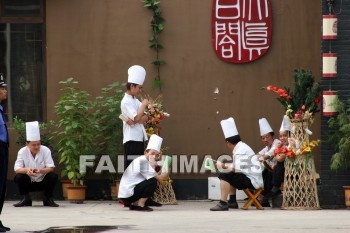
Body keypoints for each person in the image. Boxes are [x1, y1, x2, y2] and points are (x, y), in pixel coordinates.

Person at [210, 117, 263, 211]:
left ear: (228, 142)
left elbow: (236, 169)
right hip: (251, 178)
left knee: (224, 174)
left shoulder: (241, 149)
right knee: (228, 173)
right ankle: (232, 201)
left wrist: (222, 165)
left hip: (252, 181)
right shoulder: (241, 147)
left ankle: (223, 203)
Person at [13, 121, 59, 207]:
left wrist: (41, 171)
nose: (37, 147)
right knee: (19, 177)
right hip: (28, 182)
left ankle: (48, 199)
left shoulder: (45, 150)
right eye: (33, 145)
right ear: (27, 144)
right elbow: (17, 168)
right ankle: (26, 198)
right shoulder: (22, 151)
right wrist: (27, 170)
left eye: (38, 144)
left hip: (43, 181)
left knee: (53, 176)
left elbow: (51, 167)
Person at [118, 134, 169, 212]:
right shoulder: (143, 162)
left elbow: (155, 175)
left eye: (156, 154)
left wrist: (162, 169)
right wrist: (167, 169)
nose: (154, 156)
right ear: (145, 152)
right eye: (152, 153)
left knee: (151, 179)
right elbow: (160, 178)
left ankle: (144, 201)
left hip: (127, 195)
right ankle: (140, 205)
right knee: (152, 181)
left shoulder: (142, 160)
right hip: (128, 196)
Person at [120, 65, 149, 169]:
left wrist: (140, 117)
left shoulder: (135, 100)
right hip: (131, 139)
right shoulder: (125, 101)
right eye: (139, 87)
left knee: (138, 170)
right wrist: (144, 104)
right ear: (132, 86)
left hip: (138, 139)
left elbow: (144, 117)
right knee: (132, 169)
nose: (140, 90)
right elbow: (137, 118)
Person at [264, 115, 290, 199]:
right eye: (281, 136)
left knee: (278, 164)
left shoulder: (292, 144)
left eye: (285, 135)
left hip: (292, 171)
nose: (282, 138)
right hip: (283, 170)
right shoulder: (282, 146)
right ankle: (265, 194)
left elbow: (280, 158)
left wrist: (278, 149)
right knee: (267, 172)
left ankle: (275, 188)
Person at [257, 118, 280, 207]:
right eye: (263, 138)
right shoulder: (266, 148)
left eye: (267, 137)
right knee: (261, 173)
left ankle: (262, 196)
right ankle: (262, 197)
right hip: (271, 170)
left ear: (273, 137)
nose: (265, 140)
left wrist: (262, 158)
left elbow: (271, 153)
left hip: (279, 171)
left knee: (266, 173)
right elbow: (258, 154)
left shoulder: (277, 143)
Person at [0, 74, 10, 232]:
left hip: (2, 149)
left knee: (1, 186)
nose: (5, 91)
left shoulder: (1, 109)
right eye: (2, 88)